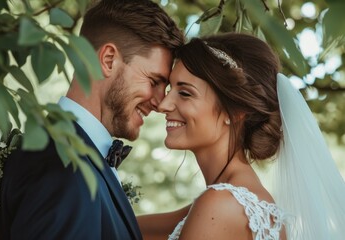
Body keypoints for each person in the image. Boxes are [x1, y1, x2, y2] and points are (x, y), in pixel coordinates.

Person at [0, 0, 183, 239]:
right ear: (108, 60)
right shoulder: (62, 168)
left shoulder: (68, 154)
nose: (161, 103)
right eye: (154, 82)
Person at [138, 33, 345, 240]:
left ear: (235, 111)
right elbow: (124, 226)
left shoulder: (219, 206)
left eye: (185, 93)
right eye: (169, 88)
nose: (163, 105)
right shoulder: (238, 200)